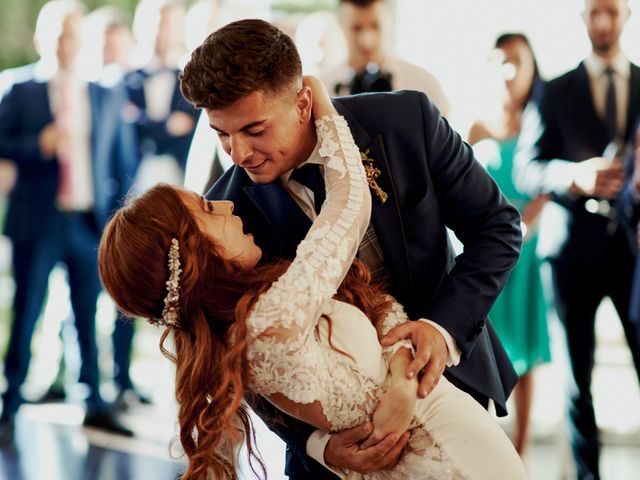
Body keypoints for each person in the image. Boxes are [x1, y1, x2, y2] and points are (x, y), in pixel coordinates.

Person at [99, 73, 527, 479]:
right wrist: (319, 445)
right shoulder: (231, 221)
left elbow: (498, 228)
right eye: (222, 134)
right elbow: (233, 357)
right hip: (342, 463)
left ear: (300, 103)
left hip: (452, 403)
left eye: (254, 129)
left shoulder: (403, 119)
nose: (238, 154)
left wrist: (426, 345)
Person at [0, 0, 136, 444]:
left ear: (82, 40)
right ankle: (10, 402)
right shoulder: (18, 89)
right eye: (58, 33)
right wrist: (35, 144)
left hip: (88, 222)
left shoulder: (103, 92)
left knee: (87, 314)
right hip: (37, 220)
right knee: (27, 313)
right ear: (44, 40)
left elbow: (122, 159)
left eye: (73, 33)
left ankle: (92, 402)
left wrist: (118, 219)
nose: (66, 42)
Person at [514, 0, 640, 477]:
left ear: (627, 14)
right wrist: (575, 177)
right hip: (571, 259)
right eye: (593, 12)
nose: (603, 22)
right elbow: (527, 168)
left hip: (634, 256)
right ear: (581, 17)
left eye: (611, 11)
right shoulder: (555, 90)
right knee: (576, 384)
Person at [468, 33, 551, 457]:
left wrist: (524, 228)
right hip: (485, 250)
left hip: (528, 248)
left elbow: (547, 185)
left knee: (528, 350)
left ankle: (521, 450)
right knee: (485, 342)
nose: (508, 70)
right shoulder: (477, 125)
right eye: (500, 60)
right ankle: (488, 443)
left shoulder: (542, 122)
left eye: (517, 60)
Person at [321, 0, 449, 116]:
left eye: (375, 26)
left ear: (389, 22)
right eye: (356, 28)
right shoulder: (323, 88)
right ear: (340, 26)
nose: (367, 41)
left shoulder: (424, 83)